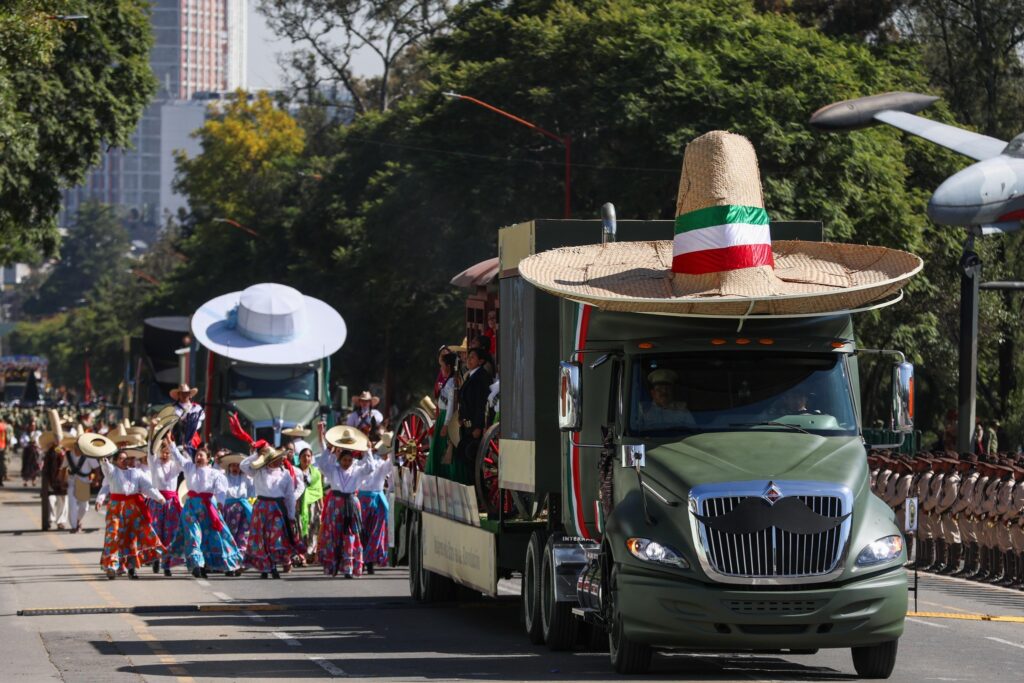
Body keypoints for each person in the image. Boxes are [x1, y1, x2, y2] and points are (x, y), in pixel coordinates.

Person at [165, 438, 243, 578]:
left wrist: (220, 502)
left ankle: (227, 564)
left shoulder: (215, 473)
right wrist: (171, 444)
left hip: (208, 507)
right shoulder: (189, 467)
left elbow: (220, 490)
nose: (198, 457)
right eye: (197, 455)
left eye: (201, 455)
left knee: (215, 535)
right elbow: (178, 457)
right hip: (191, 507)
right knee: (193, 534)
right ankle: (197, 565)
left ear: (208, 459)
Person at [94, 436, 166, 580]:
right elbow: (104, 484)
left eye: (125, 458)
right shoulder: (112, 472)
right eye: (120, 458)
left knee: (131, 539)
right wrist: (100, 500)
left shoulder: (136, 472)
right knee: (113, 535)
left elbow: (147, 487)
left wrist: (159, 497)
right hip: (115, 508)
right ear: (115, 461)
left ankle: (131, 568)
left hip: (132, 508)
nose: (124, 460)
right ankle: (111, 566)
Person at [316, 425, 382, 578]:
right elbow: (322, 464)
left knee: (351, 534)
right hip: (335, 504)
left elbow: (371, 468)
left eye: (349, 460)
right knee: (334, 533)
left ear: (352, 459)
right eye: (344, 460)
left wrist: (368, 451)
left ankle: (349, 567)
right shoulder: (333, 469)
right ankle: (333, 566)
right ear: (339, 460)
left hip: (352, 503)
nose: (347, 462)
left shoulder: (357, 469)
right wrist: (329, 449)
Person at [241, 445, 300, 579]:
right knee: (261, 539)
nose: (278, 460)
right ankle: (265, 567)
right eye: (274, 458)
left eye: (279, 458)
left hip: (277, 508)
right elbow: (243, 465)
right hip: (261, 507)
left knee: (275, 537)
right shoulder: (259, 471)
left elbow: (290, 496)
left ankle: (272, 565)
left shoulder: (285, 474)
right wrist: (257, 455)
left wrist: (291, 515)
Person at [148, 434, 185, 575]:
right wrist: (152, 431)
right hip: (157, 502)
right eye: (163, 452)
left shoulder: (175, 465)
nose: (165, 455)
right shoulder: (154, 462)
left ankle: (167, 564)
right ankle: (156, 558)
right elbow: (150, 450)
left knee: (170, 534)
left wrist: (172, 445)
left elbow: (183, 462)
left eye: (168, 452)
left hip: (171, 503)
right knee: (157, 532)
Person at [456, 347, 493, 485]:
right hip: (466, 425)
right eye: (468, 357)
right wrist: (460, 416)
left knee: (471, 455)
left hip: (475, 427)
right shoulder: (471, 376)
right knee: (463, 454)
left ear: (480, 361)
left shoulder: (481, 377)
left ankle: (479, 490)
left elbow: (480, 404)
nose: (469, 360)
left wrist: (478, 426)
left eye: (472, 357)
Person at [359, 438, 394, 575]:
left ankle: (369, 562)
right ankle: (361, 559)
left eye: (370, 446)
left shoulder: (381, 463)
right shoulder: (357, 464)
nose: (368, 448)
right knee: (361, 532)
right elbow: (369, 468)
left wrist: (392, 449)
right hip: (362, 500)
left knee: (375, 532)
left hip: (377, 499)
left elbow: (390, 465)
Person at [426, 349, 459, 477]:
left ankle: (444, 475)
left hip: (446, 417)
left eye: (442, 366)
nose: (441, 369)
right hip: (443, 416)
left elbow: (451, 405)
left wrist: (446, 424)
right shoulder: (448, 381)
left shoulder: (451, 383)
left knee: (442, 449)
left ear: (449, 367)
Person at [219, 451, 254, 562]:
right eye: (232, 465)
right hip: (228, 510)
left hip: (243, 509)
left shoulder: (245, 479)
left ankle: (240, 560)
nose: (235, 468)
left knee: (243, 535)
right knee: (229, 535)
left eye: (237, 465)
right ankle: (229, 560)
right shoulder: (224, 478)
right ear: (229, 467)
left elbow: (252, 490)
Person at [295, 442, 323, 566]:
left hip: (312, 504)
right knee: (299, 528)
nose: (306, 458)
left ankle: (310, 552)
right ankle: (300, 555)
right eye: (304, 456)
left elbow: (319, 489)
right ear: (299, 458)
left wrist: (321, 504)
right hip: (298, 503)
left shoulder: (316, 473)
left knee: (313, 527)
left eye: (308, 456)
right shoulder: (294, 471)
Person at [40, 432, 69, 530]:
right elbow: (46, 466)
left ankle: (61, 521)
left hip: (63, 480)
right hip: (51, 479)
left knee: (63, 500)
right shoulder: (50, 451)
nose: (58, 441)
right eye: (56, 439)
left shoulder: (66, 450)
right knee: (50, 500)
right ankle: (49, 520)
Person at [170, 383, 205, 456]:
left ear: (190, 394)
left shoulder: (197, 408)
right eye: (182, 393)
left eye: (186, 393)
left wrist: (190, 425)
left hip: (193, 437)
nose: (184, 395)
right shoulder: (173, 408)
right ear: (179, 395)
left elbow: (199, 421)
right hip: (177, 436)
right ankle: (179, 447)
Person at [20, 418, 41, 487]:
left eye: (33, 426)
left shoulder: (37, 433)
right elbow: (22, 442)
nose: (32, 427)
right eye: (31, 425)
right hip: (27, 452)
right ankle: (25, 480)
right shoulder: (25, 434)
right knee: (26, 466)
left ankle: (33, 480)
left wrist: (36, 444)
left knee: (34, 466)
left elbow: (40, 442)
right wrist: (27, 444)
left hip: (35, 452)